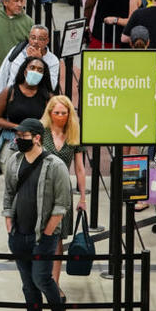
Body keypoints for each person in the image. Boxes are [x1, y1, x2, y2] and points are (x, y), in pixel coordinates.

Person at [2, 117, 70, 311]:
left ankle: (58, 307)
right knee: (28, 285)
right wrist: (9, 225)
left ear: (37, 138)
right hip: (19, 235)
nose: (19, 140)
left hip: (43, 236)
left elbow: (62, 204)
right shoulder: (14, 161)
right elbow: (9, 194)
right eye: (18, 136)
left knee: (41, 278)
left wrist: (49, 232)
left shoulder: (55, 165)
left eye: (24, 136)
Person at [40, 96, 87, 288]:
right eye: (56, 113)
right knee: (41, 234)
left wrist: (82, 197)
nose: (60, 116)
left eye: (64, 113)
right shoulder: (41, 132)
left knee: (58, 237)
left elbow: (80, 168)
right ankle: (40, 279)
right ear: (50, 113)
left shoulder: (73, 135)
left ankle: (54, 282)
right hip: (42, 188)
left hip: (63, 191)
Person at [0, 56, 53, 170]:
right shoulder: (10, 91)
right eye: (32, 68)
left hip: (37, 145)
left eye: (40, 70)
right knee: (12, 182)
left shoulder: (47, 97)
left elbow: (52, 122)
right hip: (12, 143)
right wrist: (18, 127)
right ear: (25, 71)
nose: (35, 72)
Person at [0, 24, 60, 95]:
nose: (36, 41)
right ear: (29, 38)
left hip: (37, 100)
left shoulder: (53, 61)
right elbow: (2, 74)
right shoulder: (17, 51)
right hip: (13, 97)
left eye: (41, 39)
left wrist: (39, 60)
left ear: (47, 41)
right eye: (33, 38)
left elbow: (51, 86)